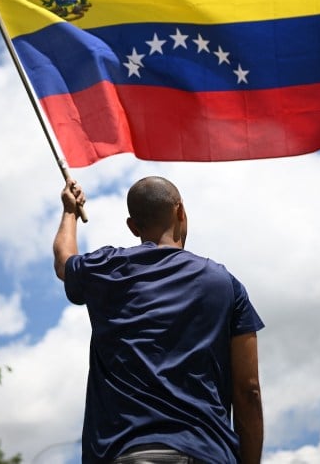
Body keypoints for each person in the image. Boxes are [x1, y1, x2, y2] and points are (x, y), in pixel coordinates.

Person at [53, 176, 264, 464]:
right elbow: (248, 390)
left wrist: (69, 211)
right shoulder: (225, 284)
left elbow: (64, 261)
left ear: (133, 226)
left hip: (123, 452)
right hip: (207, 452)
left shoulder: (106, 269)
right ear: (181, 211)